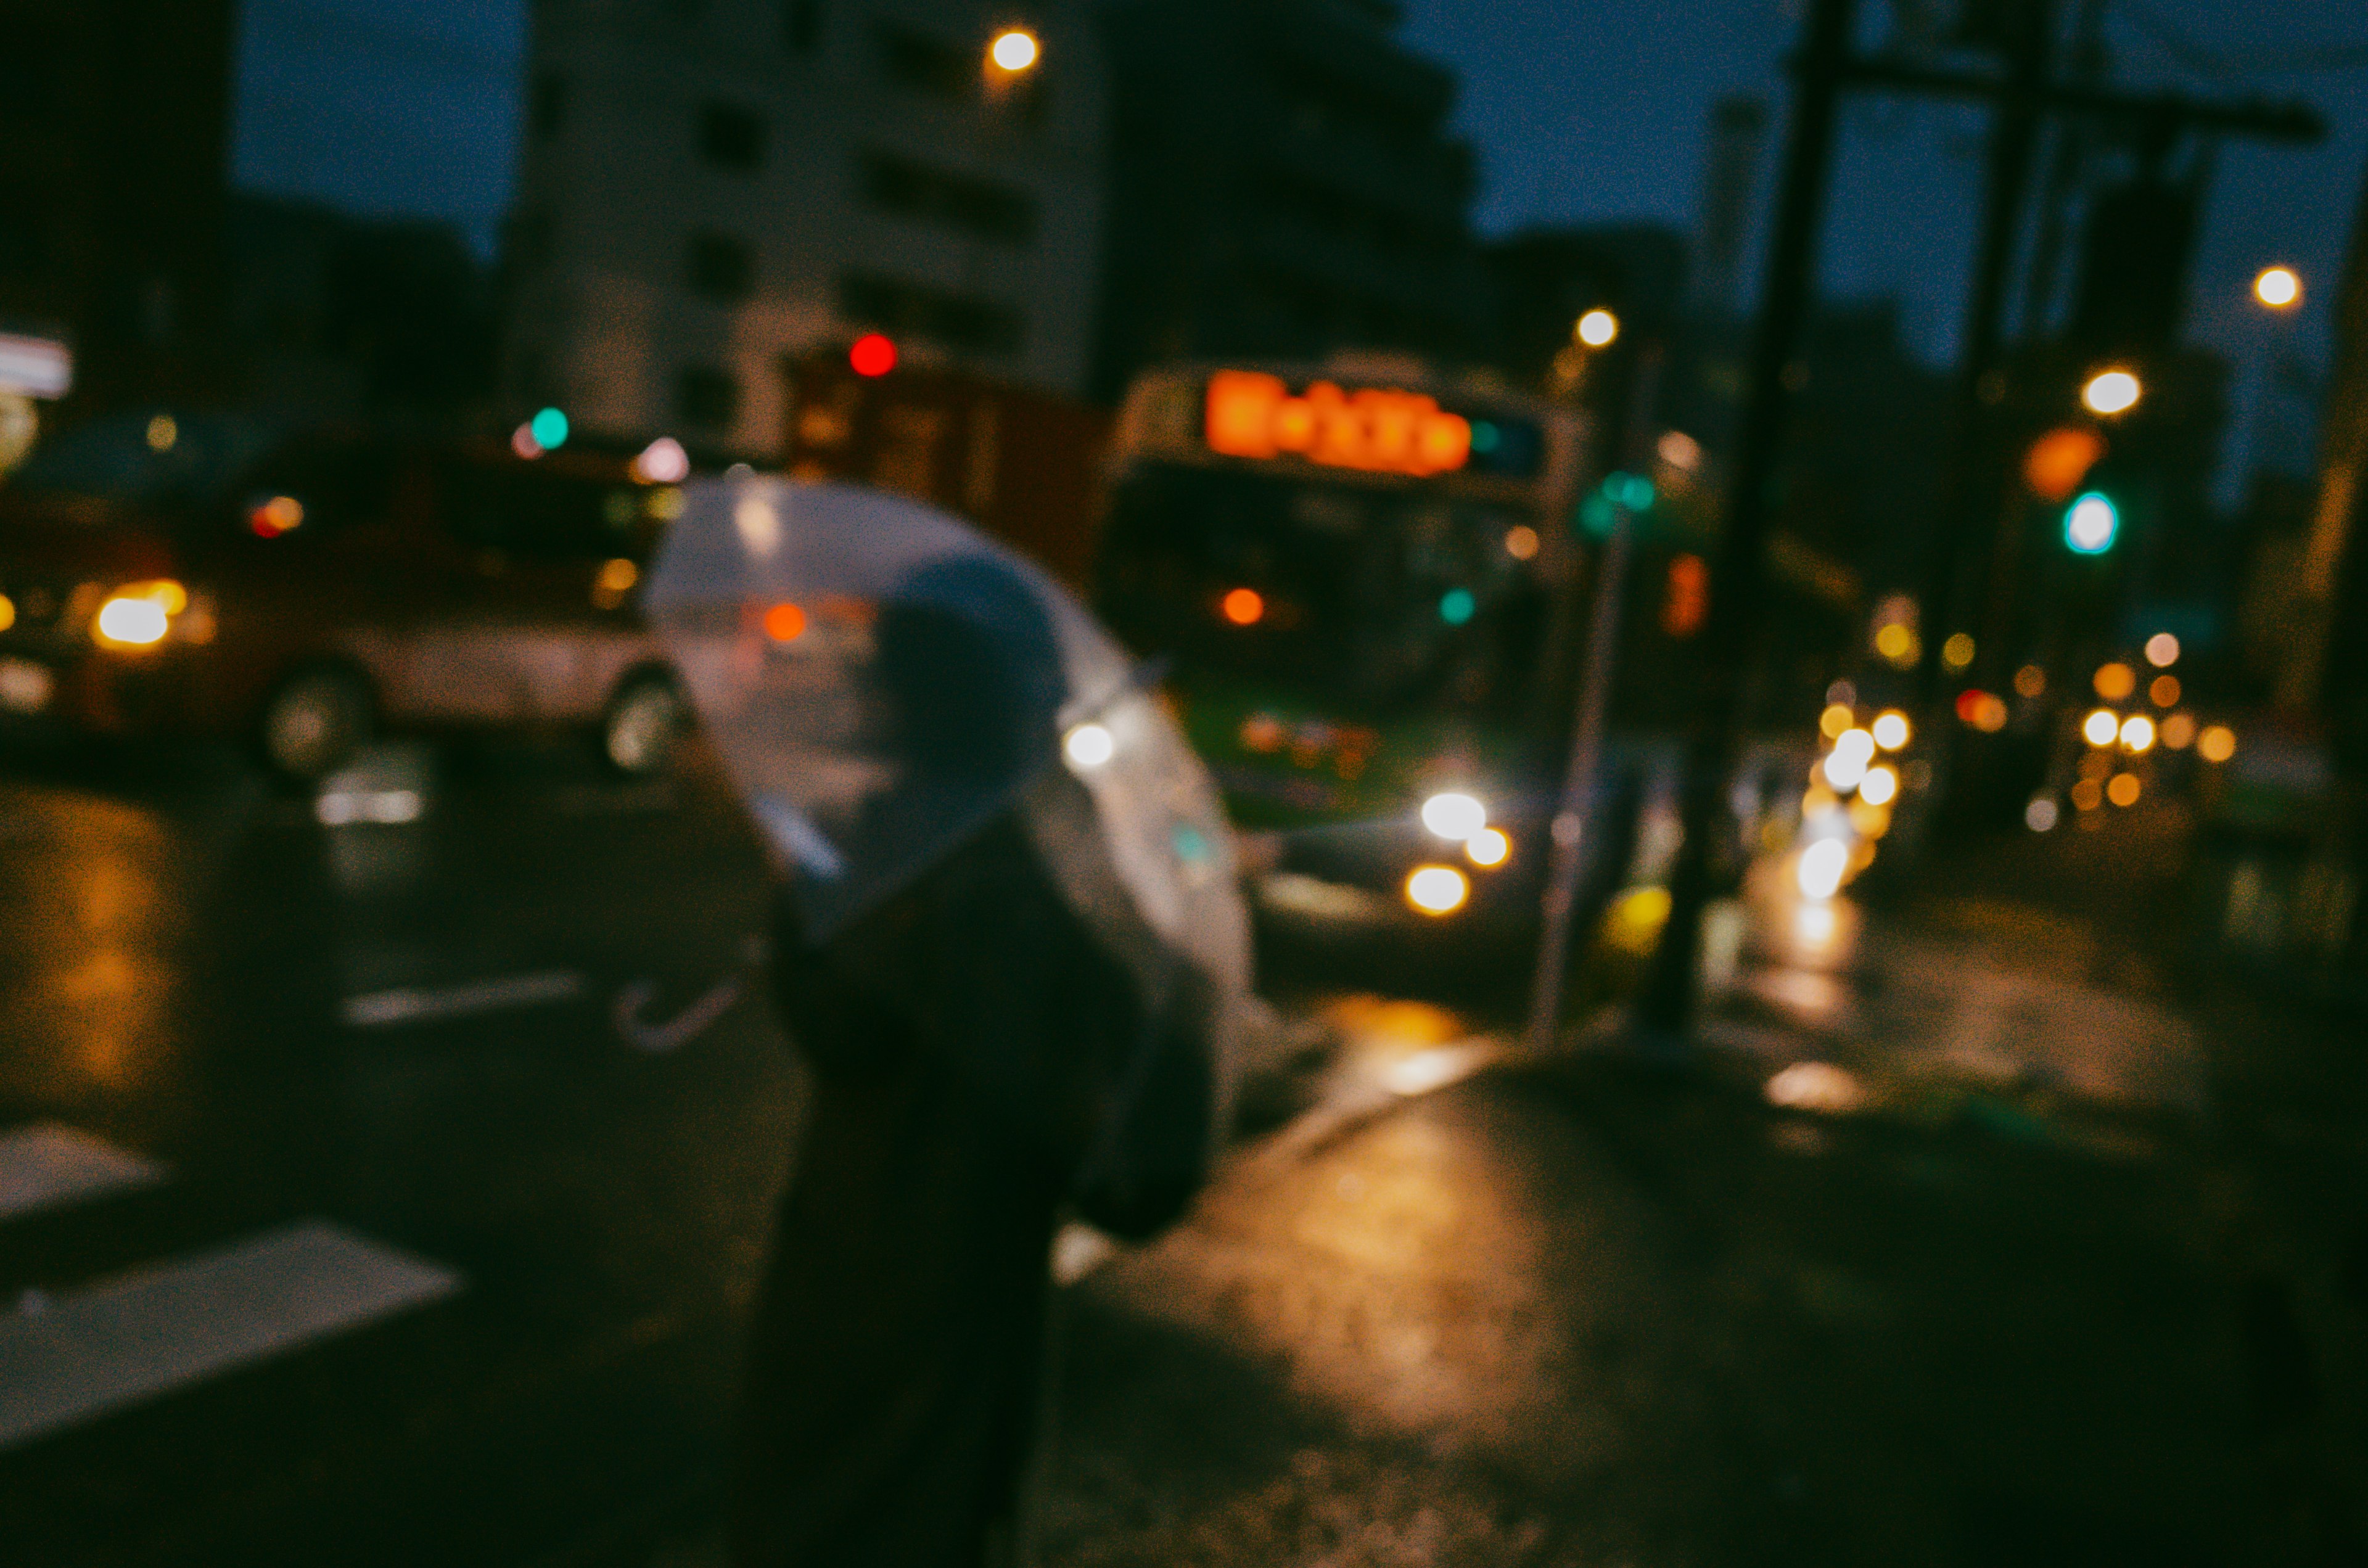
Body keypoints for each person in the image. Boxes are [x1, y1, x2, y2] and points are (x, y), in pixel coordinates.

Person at [731, 564, 1217, 1567]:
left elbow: (835, 1024)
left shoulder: (861, 849)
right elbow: (1141, 1170)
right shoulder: (1053, 872)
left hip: (825, 1304)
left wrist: (796, 907)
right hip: (963, 1328)